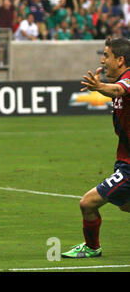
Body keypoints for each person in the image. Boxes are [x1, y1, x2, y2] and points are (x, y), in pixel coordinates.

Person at [62, 37, 130, 258]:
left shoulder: (128, 79)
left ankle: (92, 248)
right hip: (124, 160)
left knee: (88, 203)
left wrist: (99, 86)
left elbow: (119, 91)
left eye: (106, 55)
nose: (102, 61)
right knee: (125, 205)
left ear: (120, 60)